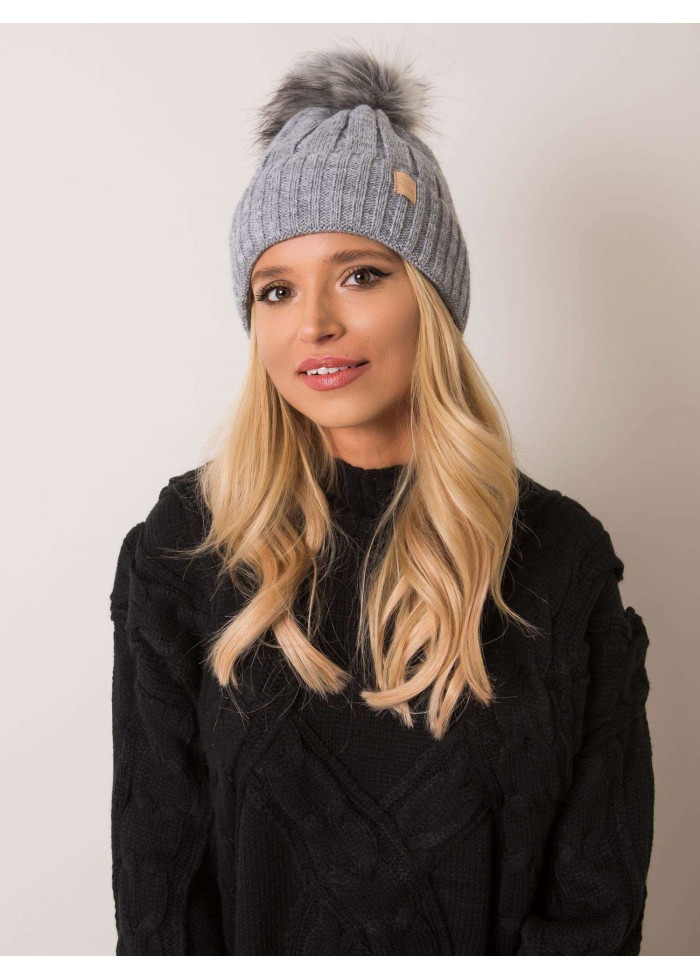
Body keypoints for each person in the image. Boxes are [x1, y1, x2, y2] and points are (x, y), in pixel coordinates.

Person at [110, 44, 654, 955]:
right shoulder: (186, 548)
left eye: (360, 274)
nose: (314, 323)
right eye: (276, 289)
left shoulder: (560, 558)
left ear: (430, 297)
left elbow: (595, 907)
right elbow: (159, 898)